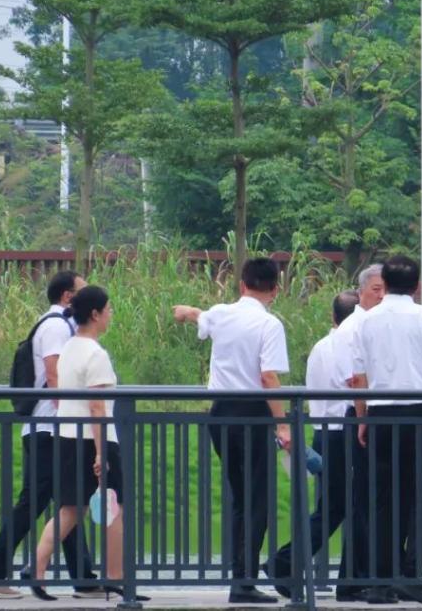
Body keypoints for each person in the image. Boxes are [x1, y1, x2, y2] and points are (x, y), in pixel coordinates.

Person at [173, 258, 291, 604]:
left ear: (242, 285)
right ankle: (244, 580)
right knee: (258, 500)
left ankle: (241, 577)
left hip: (221, 413)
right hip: (253, 415)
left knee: (241, 496)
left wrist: (186, 312)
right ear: (275, 290)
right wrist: (283, 424)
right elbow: (269, 377)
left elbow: (200, 317)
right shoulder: (269, 324)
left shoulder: (221, 313)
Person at [352, 255, 422, 605]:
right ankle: (411, 575)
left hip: (381, 417)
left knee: (383, 500)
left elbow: (358, 378)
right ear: (417, 286)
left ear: (384, 283)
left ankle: (381, 581)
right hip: (419, 416)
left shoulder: (366, 321)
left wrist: (362, 419)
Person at [0, 271, 99, 600]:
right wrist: (72, 416)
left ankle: (84, 579)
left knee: (69, 502)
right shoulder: (56, 327)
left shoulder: (60, 325)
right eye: (82, 290)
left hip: (51, 428)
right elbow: (54, 373)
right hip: (49, 428)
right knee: (35, 501)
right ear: (67, 297)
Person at [25, 285, 140, 602]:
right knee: (114, 508)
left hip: (67, 436)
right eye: (108, 309)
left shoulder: (70, 348)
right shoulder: (95, 353)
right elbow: (97, 407)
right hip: (94, 439)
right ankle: (116, 579)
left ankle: (36, 567)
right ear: (95, 314)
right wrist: (102, 453)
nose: (111, 315)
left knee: (71, 509)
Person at [264, 290, 360, 599]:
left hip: (323, 431)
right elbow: (353, 386)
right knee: (341, 507)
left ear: (333, 316)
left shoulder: (321, 346)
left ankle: (291, 563)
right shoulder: (348, 346)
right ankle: (287, 562)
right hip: (342, 432)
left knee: (334, 507)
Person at [333, 264, 385, 602]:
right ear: (361, 291)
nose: (381, 296)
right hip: (360, 415)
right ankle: (356, 578)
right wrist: (364, 418)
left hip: (366, 413)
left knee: (368, 500)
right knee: (365, 501)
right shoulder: (356, 327)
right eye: (376, 290)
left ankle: (357, 578)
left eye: (385, 290)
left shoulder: (374, 324)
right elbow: (355, 380)